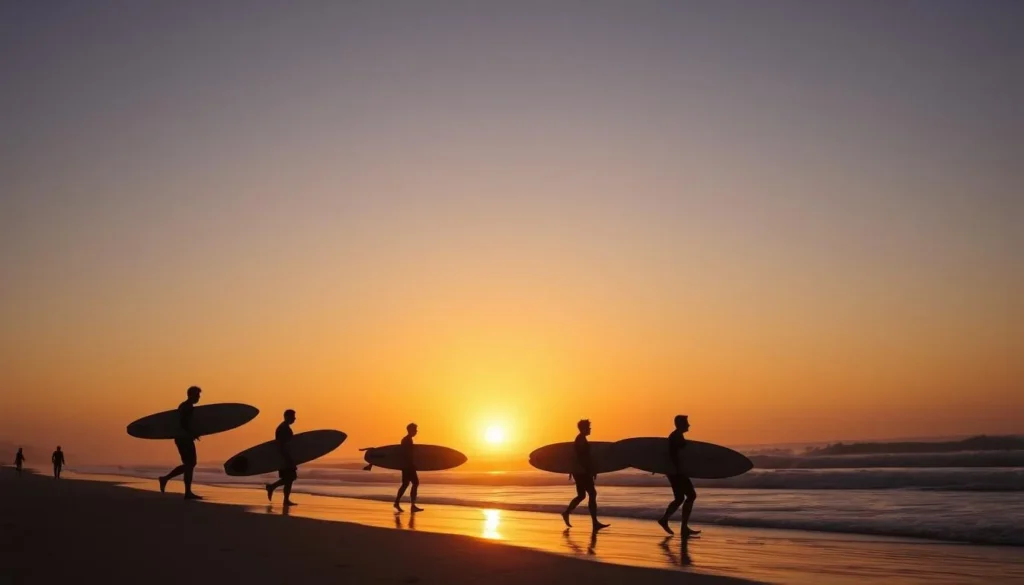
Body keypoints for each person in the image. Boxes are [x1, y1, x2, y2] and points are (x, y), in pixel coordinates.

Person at [561, 419, 610, 531]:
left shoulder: (580, 439)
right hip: (582, 472)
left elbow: (578, 457)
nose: (590, 429)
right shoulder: (581, 440)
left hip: (579, 471)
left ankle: (566, 513)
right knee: (592, 493)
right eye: (588, 428)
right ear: (584, 428)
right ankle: (595, 523)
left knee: (582, 495)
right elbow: (582, 458)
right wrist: (590, 470)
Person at [658, 414, 700, 536]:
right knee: (691, 495)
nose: (689, 425)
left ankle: (665, 520)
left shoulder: (676, 436)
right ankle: (683, 527)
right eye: (686, 422)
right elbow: (673, 456)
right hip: (677, 472)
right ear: (681, 424)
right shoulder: (676, 436)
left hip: (674, 472)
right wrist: (679, 471)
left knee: (680, 498)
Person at [158, 386, 203, 500]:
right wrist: (192, 433)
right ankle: (166, 479)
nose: (199, 397)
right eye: (197, 395)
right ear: (191, 395)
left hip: (184, 438)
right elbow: (183, 423)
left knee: (190, 464)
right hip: (183, 438)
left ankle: (187, 492)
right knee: (190, 464)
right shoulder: (186, 407)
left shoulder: (186, 406)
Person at [266, 409, 298, 506]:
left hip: (284, 457)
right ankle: (272, 487)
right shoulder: (283, 428)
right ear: (287, 417)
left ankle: (285, 499)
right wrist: (287, 459)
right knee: (290, 478)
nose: (294, 419)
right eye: (293, 416)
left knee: (290, 478)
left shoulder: (284, 427)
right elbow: (281, 445)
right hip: (284, 458)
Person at [393, 423, 423, 513]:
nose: (416, 431)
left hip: (405, 466)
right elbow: (407, 454)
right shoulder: (407, 440)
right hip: (408, 466)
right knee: (415, 483)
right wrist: (411, 464)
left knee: (405, 484)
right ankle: (412, 505)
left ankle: (397, 502)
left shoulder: (407, 439)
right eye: (415, 430)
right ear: (411, 430)